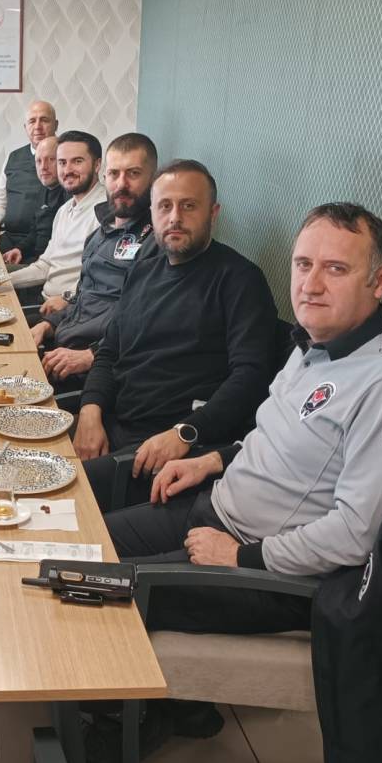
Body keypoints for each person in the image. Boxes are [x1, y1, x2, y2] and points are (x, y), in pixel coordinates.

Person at [96, 203, 382, 753]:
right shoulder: (314, 346)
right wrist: (211, 460)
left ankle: (122, 730)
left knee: (91, 587)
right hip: (214, 509)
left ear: (381, 281)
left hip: (268, 571)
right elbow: (274, 438)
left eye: (336, 269)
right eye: (303, 264)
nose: (311, 284)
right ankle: (178, 708)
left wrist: (240, 556)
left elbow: (356, 534)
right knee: (83, 546)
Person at [75, 161, 281, 510]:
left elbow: (250, 378)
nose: (174, 218)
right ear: (152, 213)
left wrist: (186, 432)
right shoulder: (143, 270)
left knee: (50, 496)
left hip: (165, 448)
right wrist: (90, 412)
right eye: (165, 206)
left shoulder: (239, 279)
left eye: (188, 206)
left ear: (213, 213)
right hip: (112, 421)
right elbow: (109, 351)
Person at [30, 132, 159, 391]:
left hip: (96, 368)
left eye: (133, 174)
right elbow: (82, 299)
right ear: (105, 175)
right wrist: (48, 325)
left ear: (153, 179)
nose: (121, 184)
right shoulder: (100, 233)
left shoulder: (155, 241)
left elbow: (147, 322)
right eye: (114, 174)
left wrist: (92, 355)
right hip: (62, 345)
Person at [8, 130, 108, 309]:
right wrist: (1, 281)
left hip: (69, 310)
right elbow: (45, 265)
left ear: (97, 165)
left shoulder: (105, 212)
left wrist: (67, 298)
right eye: (62, 162)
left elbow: (102, 280)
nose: (67, 170)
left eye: (77, 161)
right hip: (43, 301)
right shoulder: (64, 210)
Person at [0, 99, 59, 261]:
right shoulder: (13, 157)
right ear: (25, 127)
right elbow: (0, 199)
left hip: (42, 243)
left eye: (44, 120)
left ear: (55, 125)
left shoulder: (66, 158)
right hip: (8, 236)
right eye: (32, 121)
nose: (38, 126)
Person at [2, 134, 65, 267]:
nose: (43, 167)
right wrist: (19, 250)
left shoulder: (69, 198)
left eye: (51, 159)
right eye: (39, 161)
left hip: (47, 267)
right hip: (33, 261)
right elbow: (35, 231)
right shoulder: (44, 189)